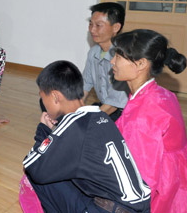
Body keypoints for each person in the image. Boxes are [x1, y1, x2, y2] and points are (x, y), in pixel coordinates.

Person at [23, 60, 151, 213]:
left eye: (43, 98)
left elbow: (32, 165)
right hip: (139, 207)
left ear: (56, 97)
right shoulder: (102, 117)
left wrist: (43, 130)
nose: (43, 104)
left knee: (36, 176)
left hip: (107, 209)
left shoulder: (73, 126)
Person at [111, 29, 187, 212]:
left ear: (141, 64)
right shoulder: (163, 94)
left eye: (119, 56)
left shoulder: (143, 117)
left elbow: (142, 182)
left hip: (165, 195)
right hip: (184, 184)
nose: (112, 61)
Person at [83, 2, 129, 121]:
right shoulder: (93, 52)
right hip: (105, 106)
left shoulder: (124, 58)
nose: (92, 29)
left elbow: (114, 104)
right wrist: (74, 111)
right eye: (90, 24)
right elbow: (85, 85)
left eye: (99, 25)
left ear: (116, 28)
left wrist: (87, 122)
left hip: (123, 112)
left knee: (89, 128)